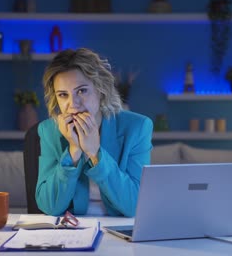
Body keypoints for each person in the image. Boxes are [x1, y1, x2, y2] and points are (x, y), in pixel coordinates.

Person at [36, 48, 153, 217]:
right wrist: (73, 151)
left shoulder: (137, 127)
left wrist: (95, 153)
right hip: (72, 232)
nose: (73, 104)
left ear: (100, 90)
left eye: (82, 91)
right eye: (63, 95)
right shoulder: (48, 131)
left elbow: (134, 205)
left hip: (121, 230)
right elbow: (50, 207)